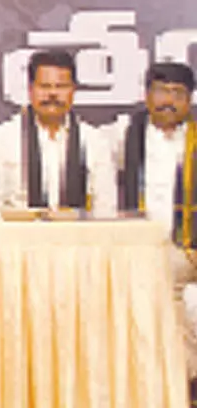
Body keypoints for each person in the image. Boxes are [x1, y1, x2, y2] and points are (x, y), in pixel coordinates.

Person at [107, 62, 197, 387]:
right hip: (140, 247)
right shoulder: (123, 135)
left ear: (190, 101)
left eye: (178, 94)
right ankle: (181, 383)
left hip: (190, 245)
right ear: (146, 96)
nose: (168, 101)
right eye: (161, 91)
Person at [0, 50, 116, 216]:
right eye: (45, 86)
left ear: (73, 90)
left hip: (80, 237)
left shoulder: (94, 141)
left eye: (61, 86)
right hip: (19, 237)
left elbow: (105, 207)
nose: (52, 94)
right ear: (31, 90)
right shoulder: (2, 138)